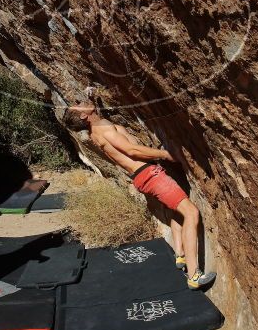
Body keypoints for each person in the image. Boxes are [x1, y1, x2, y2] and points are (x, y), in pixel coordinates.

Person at [63, 100, 216, 289]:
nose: (80, 102)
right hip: (150, 175)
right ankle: (194, 275)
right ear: (83, 116)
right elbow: (131, 150)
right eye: (78, 105)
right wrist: (165, 154)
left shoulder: (95, 132)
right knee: (191, 213)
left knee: (177, 209)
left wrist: (92, 99)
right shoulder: (102, 127)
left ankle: (180, 254)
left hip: (142, 177)